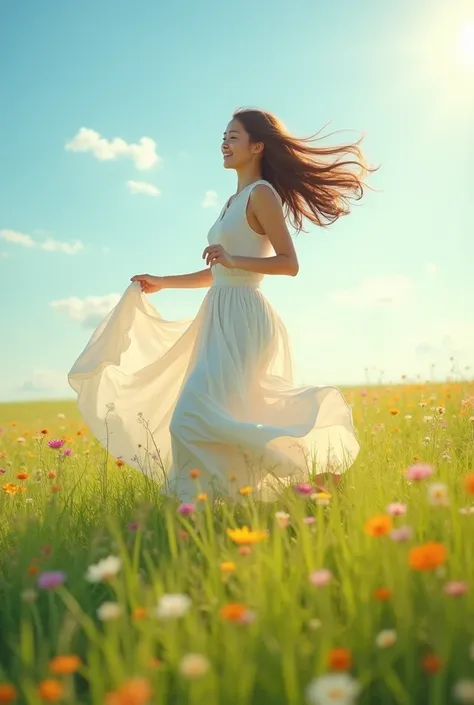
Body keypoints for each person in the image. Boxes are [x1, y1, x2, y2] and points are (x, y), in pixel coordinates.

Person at [69, 107, 374, 502]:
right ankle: (230, 500)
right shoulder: (233, 200)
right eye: (223, 136)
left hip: (246, 316)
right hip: (219, 311)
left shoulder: (262, 194)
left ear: (258, 146)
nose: (224, 143)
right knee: (220, 415)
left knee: (192, 417)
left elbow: (289, 264)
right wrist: (163, 281)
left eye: (233, 136)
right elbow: (218, 272)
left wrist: (233, 260)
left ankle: (293, 472)